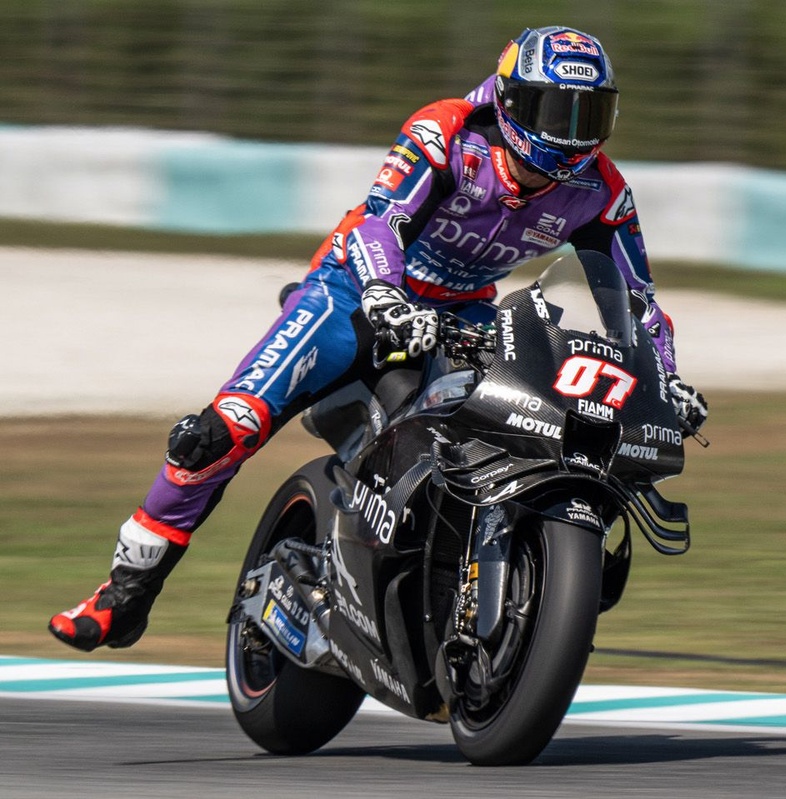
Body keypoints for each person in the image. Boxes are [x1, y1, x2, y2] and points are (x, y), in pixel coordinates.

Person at [49, 25, 708, 653]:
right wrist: (385, 297)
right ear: (511, 100)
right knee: (221, 430)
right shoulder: (447, 132)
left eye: (589, 116)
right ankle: (126, 590)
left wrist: (665, 378)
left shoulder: (601, 192)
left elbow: (639, 302)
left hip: (464, 312)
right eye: (556, 111)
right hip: (352, 294)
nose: (570, 135)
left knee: (526, 423)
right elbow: (380, 222)